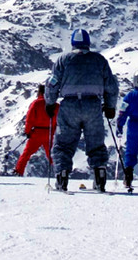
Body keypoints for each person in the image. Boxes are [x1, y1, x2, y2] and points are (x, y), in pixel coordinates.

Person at [45, 28, 119, 192]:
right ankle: (99, 176)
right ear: (88, 43)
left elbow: (52, 83)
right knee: (96, 143)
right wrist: (110, 106)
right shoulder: (99, 60)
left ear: (72, 43)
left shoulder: (63, 60)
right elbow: (111, 85)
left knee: (64, 144)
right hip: (93, 105)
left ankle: (62, 176)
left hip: (69, 105)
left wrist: (49, 103)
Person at [14, 84, 57, 176]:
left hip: (37, 133)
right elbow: (59, 120)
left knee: (27, 153)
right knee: (52, 155)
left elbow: (29, 119)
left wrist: (28, 132)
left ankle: (18, 171)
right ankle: (60, 173)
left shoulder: (36, 103)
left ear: (40, 92)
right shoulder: (55, 105)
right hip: (50, 133)